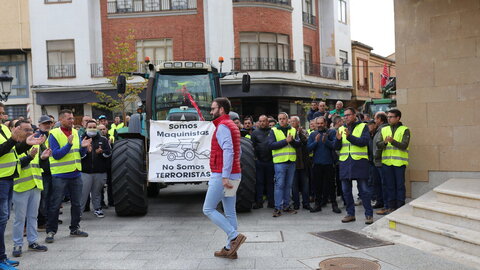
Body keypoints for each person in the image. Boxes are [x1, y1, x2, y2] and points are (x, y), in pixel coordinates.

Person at [0, 103, 46, 270]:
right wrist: (14, 139)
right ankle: (4, 256)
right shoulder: (8, 132)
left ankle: (2, 257)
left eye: (3, 113)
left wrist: (27, 143)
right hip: (4, 181)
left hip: (9, 179)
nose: (4, 116)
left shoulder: (3, 129)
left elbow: (13, 152)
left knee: (5, 219)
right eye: (1, 113)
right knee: (6, 219)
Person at [202, 97, 246, 259]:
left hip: (222, 174)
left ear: (221, 109)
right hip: (234, 173)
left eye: (213, 109)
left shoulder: (222, 126)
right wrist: (232, 170)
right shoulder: (232, 126)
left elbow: (229, 151)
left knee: (208, 209)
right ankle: (230, 249)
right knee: (229, 211)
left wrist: (225, 176)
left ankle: (233, 236)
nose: (211, 111)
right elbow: (238, 151)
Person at [46, 109, 91, 244]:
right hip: (60, 175)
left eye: (72, 118)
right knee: (55, 204)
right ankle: (51, 231)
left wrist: (83, 148)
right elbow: (57, 155)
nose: (72, 121)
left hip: (76, 173)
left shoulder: (76, 132)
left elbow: (78, 154)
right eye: (69, 119)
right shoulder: (53, 134)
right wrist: (68, 144)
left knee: (77, 204)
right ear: (61, 120)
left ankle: (74, 228)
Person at [11, 120, 49, 257]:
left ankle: (33, 242)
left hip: (36, 185)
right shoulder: (13, 147)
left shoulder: (36, 144)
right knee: (20, 218)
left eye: (31, 130)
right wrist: (29, 156)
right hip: (20, 186)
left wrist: (43, 158)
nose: (29, 132)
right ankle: (17, 244)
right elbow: (16, 165)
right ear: (17, 130)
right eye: (26, 130)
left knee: (33, 216)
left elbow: (38, 165)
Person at [334, 107, 373, 224]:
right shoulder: (341, 128)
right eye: (344, 116)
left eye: (348, 115)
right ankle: (350, 214)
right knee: (346, 190)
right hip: (345, 163)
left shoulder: (363, 127)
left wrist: (350, 136)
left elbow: (364, 142)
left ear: (354, 115)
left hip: (359, 162)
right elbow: (336, 147)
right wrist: (338, 140)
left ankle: (369, 215)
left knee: (364, 190)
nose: (346, 117)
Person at [376, 109, 410, 213]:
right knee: (389, 185)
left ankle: (400, 206)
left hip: (399, 163)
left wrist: (392, 141)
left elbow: (404, 145)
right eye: (388, 117)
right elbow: (378, 144)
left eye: (391, 117)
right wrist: (385, 143)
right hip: (387, 163)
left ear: (398, 118)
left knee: (399, 185)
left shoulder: (405, 130)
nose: (389, 119)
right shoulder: (384, 129)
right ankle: (391, 206)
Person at [268, 112, 301, 217]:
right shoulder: (273, 130)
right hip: (280, 162)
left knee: (288, 185)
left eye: (284, 118)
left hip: (291, 161)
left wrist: (291, 142)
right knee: (279, 185)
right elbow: (271, 145)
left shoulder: (293, 130)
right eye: (280, 119)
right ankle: (277, 208)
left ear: (287, 120)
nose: (282, 120)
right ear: (278, 120)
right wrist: (285, 141)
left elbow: (298, 144)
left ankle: (286, 206)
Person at [308, 117, 341, 214]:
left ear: (325, 123)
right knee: (317, 186)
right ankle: (317, 204)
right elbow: (308, 149)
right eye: (318, 123)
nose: (320, 125)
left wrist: (325, 141)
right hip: (317, 164)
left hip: (329, 164)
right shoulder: (313, 134)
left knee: (331, 186)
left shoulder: (331, 132)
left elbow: (335, 146)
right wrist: (316, 142)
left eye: (321, 123)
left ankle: (334, 205)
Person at [80, 120, 111, 218]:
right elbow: (77, 154)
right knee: (83, 193)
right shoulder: (81, 138)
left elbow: (109, 153)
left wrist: (101, 153)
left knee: (97, 192)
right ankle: (78, 212)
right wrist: (85, 151)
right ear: (86, 127)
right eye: (90, 127)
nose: (92, 129)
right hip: (85, 172)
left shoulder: (103, 139)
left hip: (100, 171)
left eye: (94, 127)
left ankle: (97, 208)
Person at [250, 115, 274, 209]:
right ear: (258, 122)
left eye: (264, 121)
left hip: (270, 161)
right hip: (259, 162)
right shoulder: (255, 133)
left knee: (270, 183)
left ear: (267, 122)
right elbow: (252, 147)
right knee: (259, 183)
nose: (262, 123)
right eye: (260, 121)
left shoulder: (272, 132)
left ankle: (271, 202)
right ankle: (259, 202)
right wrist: (255, 158)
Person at [36, 116, 54, 231]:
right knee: (43, 198)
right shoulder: (37, 137)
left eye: (49, 123)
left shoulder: (51, 135)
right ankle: (42, 222)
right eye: (44, 123)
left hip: (52, 171)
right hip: (42, 172)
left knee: (50, 197)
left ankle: (49, 219)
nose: (47, 125)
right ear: (39, 125)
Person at [289, 116, 310, 210]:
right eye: (291, 121)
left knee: (305, 185)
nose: (292, 123)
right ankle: (296, 203)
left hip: (303, 163)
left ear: (298, 122)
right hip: (293, 163)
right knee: (294, 186)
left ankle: (306, 203)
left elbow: (306, 142)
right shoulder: (289, 132)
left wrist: (300, 133)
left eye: (294, 121)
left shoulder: (304, 132)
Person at [372, 112, 389, 213]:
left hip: (381, 161)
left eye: (375, 118)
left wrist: (376, 156)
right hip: (377, 161)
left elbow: (380, 145)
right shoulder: (378, 129)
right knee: (378, 183)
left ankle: (386, 205)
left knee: (384, 184)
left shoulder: (383, 129)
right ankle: (381, 202)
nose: (374, 121)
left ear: (380, 119)